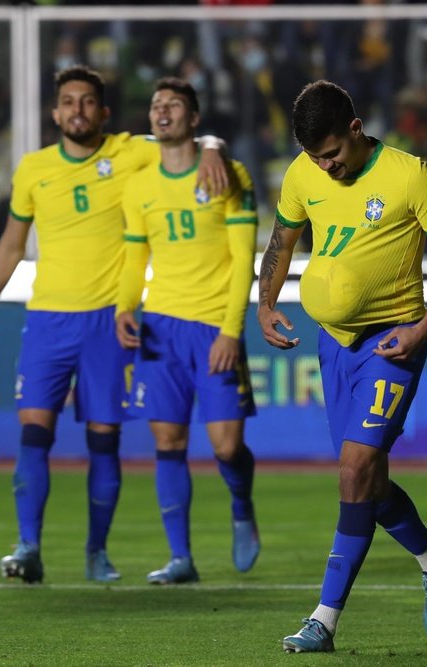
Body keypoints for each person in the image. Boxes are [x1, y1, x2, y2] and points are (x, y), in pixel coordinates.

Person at [0, 65, 228, 585]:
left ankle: (96, 553)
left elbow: (183, 139)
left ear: (103, 113)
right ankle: (28, 547)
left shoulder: (129, 152)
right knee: (34, 432)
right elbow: (13, 244)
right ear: (55, 111)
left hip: (109, 321)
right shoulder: (34, 169)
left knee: (103, 439)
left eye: (87, 102)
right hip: (48, 320)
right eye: (68, 101)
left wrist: (213, 142)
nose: (77, 110)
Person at [258, 80, 427, 653]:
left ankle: (324, 620)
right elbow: (282, 239)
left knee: (354, 472)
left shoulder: (412, 176)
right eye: (314, 158)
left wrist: (421, 329)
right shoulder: (303, 173)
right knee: (367, 483)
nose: (325, 168)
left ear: (355, 129)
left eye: (332, 154)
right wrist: (265, 303)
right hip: (334, 344)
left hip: (391, 345)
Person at [115, 77, 261, 584]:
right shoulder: (138, 184)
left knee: (225, 447)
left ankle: (241, 502)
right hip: (160, 328)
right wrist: (125, 306)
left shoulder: (229, 174)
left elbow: (245, 259)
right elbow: (136, 258)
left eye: (174, 105)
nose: (163, 111)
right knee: (168, 442)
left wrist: (230, 330)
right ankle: (181, 558)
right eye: (156, 105)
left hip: (213, 327)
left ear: (194, 119)